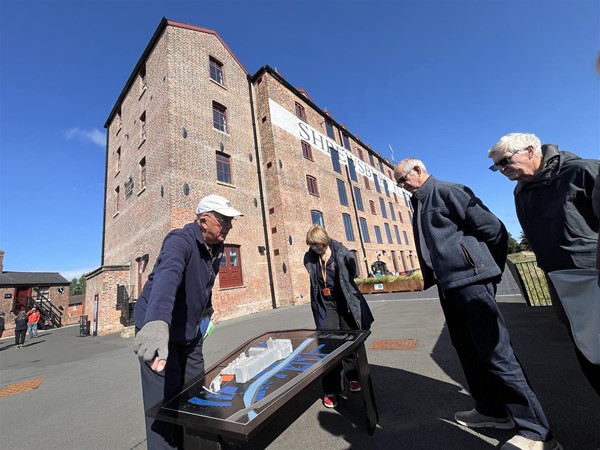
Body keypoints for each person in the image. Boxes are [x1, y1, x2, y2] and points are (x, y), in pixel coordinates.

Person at [394, 158, 561, 450]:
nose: (401, 186)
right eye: (398, 183)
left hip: (469, 283)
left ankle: (536, 433)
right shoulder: (420, 202)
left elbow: (494, 229)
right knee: (468, 350)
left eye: (402, 179)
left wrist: (484, 270)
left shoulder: (448, 191)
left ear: (418, 170)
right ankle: (491, 411)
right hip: (449, 287)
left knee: (496, 353)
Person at [488, 133, 600, 395]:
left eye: (504, 161)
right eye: (497, 166)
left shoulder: (582, 170)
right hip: (559, 280)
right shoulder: (521, 190)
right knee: (585, 349)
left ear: (530, 151)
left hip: (591, 277)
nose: (502, 170)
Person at [133, 194, 242, 450]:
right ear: (204, 221)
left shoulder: (216, 248)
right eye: (224, 220)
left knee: (194, 391)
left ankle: (197, 442)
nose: (229, 225)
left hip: (190, 332)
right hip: (159, 332)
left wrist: (207, 310)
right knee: (162, 403)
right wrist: (158, 321)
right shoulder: (179, 240)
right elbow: (167, 276)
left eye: (230, 220)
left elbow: (202, 285)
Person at [303, 225, 374, 409]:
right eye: (312, 245)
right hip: (326, 304)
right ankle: (331, 389)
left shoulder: (342, 252)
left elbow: (352, 272)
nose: (316, 249)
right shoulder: (309, 258)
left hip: (345, 302)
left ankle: (353, 377)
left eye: (318, 245)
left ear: (325, 240)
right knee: (328, 344)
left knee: (350, 341)